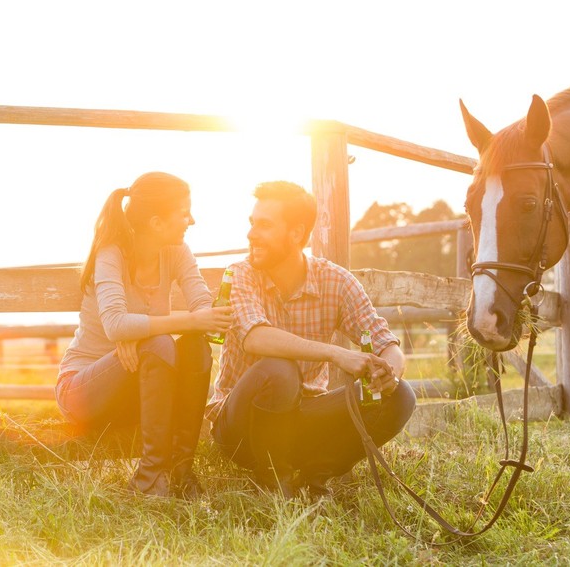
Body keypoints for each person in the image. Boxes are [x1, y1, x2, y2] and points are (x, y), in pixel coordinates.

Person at [206, 181, 416, 498]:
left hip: (302, 419)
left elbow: (385, 342)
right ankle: (274, 479)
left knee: (401, 396)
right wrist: (335, 354)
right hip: (240, 426)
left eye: (264, 225)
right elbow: (255, 338)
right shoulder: (240, 274)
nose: (251, 234)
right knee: (279, 370)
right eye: (252, 223)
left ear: (295, 233)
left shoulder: (336, 280)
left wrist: (389, 373)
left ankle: (314, 474)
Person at [55, 172, 233, 498]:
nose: (191, 220)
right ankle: (149, 479)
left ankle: (180, 472)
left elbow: (202, 313)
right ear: (156, 222)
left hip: (142, 388)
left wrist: (218, 305)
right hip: (84, 391)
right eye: (183, 213)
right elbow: (116, 325)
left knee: (193, 347)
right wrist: (151, 330)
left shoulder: (177, 251)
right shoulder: (111, 254)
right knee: (159, 342)